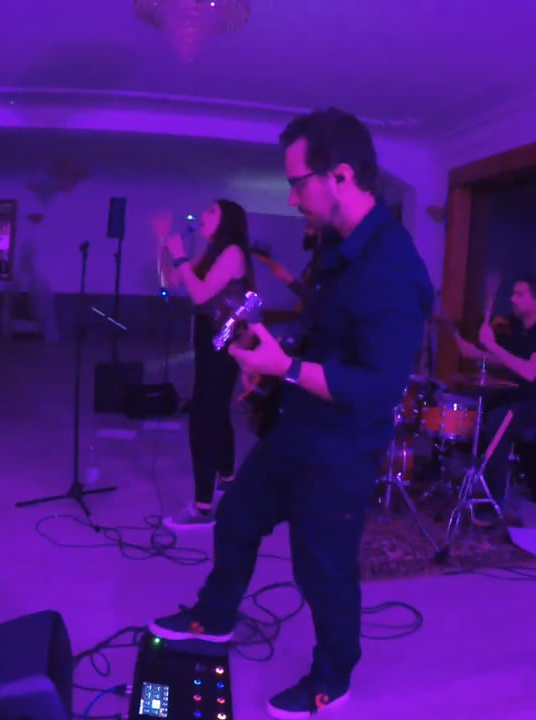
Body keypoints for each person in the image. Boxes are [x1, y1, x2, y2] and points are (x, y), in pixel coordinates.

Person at [149, 108, 433, 718]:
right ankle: (215, 617)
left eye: (298, 182)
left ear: (341, 176)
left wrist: (288, 369)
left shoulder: (394, 268)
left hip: (341, 449)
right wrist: (271, 359)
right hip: (296, 426)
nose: (291, 196)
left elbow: (379, 388)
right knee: (236, 518)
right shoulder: (334, 244)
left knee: (321, 570)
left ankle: (333, 678)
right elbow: (321, 329)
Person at [154, 199, 254, 529]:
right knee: (216, 411)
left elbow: (200, 295)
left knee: (204, 418)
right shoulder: (211, 253)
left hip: (221, 340)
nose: (203, 216)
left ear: (226, 221)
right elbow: (171, 282)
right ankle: (228, 479)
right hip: (208, 341)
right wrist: (163, 246)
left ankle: (203, 507)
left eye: (212, 211)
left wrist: (181, 255)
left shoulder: (233, 253)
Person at [454, 274, 536, 525]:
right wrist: (476, 353)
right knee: (474, 402)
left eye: (520, 294)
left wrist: (493, 346)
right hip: (521, 395)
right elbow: (509, 360)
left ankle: (494, 502)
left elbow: (529, 371)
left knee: (498, 419)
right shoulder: (520, 328)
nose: (512, 299)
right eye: (512, 294)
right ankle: (458, 475)